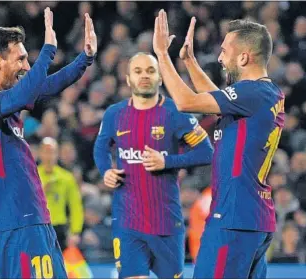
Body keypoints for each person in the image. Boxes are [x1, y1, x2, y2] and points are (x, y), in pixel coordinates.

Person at [0, 7, 97, 278]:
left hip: (35, 218)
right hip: (14, 220)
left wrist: (85, 58)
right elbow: (18, 96)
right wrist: (48, 50)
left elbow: (46, 86)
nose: (26, 67)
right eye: (20, 59)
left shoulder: (6, 101)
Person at [153, 10, 284, 278]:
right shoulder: (264, 94)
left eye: (225, 51)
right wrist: (189, 62)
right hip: (254, 219)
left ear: (245, 57)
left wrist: (162, 55)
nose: (220, 58)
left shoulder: (252, 92)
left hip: (233, 219)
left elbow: (186, 102)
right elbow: (216, 101)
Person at [93, 52, 213, 279]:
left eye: (150, 71)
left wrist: (167, 161)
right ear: (128, 79)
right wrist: (106, 171)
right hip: (128, 222)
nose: (144, 76)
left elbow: (207, 152)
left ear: (160, 78)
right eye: (137, 71)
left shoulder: (176, 113)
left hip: (166, 222)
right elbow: (101, 147)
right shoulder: (114, 114)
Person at [38, 137, 84, 252]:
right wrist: (41, 191)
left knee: (60, 266)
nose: (49, 156)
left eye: (52, 152)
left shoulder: (66, 178)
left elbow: (76, 207)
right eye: (46, 152)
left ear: (57, 154)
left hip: (60, 229)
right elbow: (25, 205)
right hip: (38, 227)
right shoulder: (33, 176)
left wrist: (75, 232)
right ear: (40, 153)